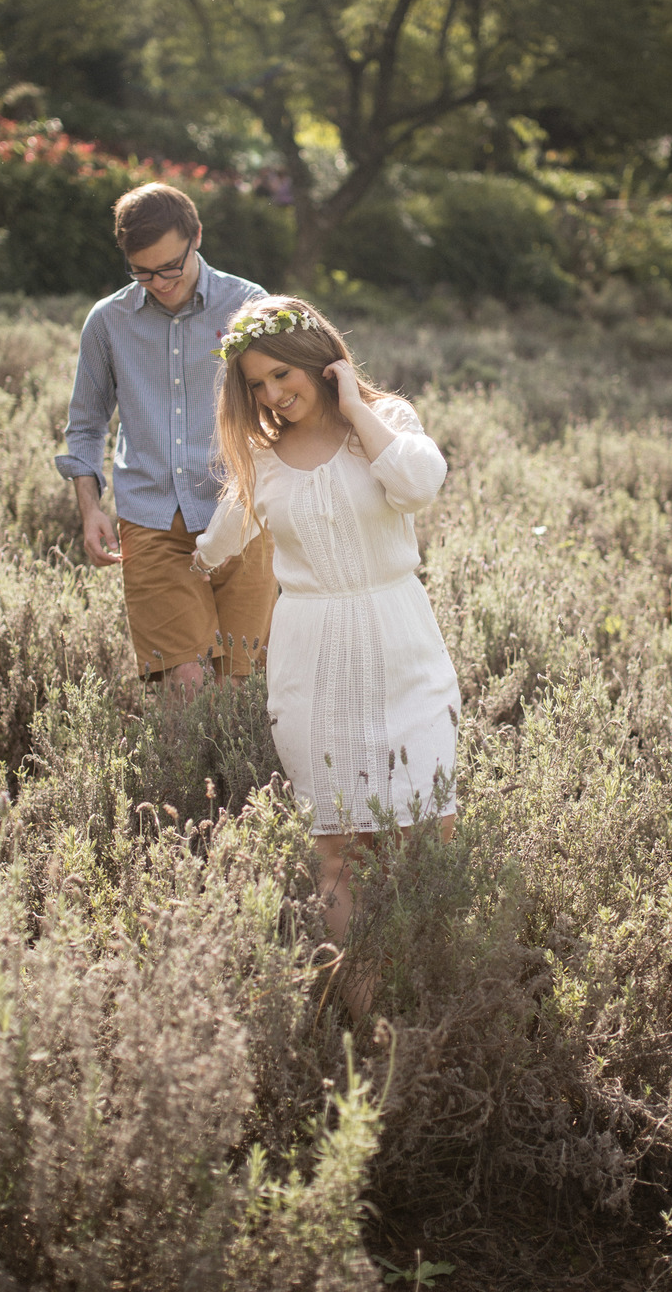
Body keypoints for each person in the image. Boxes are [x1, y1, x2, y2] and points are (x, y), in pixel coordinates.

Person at [193, 295, 460, 1016]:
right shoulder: (260, 461)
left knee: (429, 831)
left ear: (320, 360)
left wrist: (355, 403)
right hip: (311, 659)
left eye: (284, 374)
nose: (274, 394)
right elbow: (214, 548)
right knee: (339, 846)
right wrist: (151, 561)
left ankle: (434, 993)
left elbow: (420, 485)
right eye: (257, 384)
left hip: (400, 641)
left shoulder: (388, 426)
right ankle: (363, 1005)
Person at [55, 183, 276, 695]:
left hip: (239, 512)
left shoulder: (248, 304)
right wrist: (90, 508)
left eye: (169, 267)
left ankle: (234, 780)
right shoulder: (108, 321)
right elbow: (86, 426)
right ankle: (180, 780)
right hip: (151, 518)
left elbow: (281, 400)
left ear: (196, 237)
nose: (158, 283)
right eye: (142, 272)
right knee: (185, 680)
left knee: (238, 683)